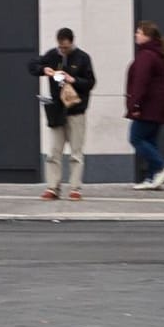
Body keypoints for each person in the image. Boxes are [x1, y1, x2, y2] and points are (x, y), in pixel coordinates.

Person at [28, 27, 95, 200]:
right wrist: (45, 70)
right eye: (60, 47)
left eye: (65, 47)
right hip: (57, 110)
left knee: (76, 152)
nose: (62, 50)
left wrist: (73, 80)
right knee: (54, 151)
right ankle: (53, 187)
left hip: (76, 110)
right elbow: (32, 65)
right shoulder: (52, 55)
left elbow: (90, 82)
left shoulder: (82, 58)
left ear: (72, 42)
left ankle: (75, 188)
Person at [126, 21, 164, 190]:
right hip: (159, 106)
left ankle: (160, 168)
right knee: (150, 140)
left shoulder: (146, 55)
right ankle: (151, 178)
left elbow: (141, 82)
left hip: (148, 106)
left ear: (147, 36)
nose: (136, 35)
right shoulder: (157, 53)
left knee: (136, 138)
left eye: (139, 32)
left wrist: (135, 105)